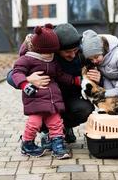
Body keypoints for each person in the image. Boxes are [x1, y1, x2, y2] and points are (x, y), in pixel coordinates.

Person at [8, 23, 99, 146]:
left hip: (71, 97)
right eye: (67, 52)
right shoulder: (44, 55)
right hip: (46, 99)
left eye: (75, 50)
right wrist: (28, 79)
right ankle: (47, 132)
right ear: (56, 49)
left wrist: (98, 78)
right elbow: (11, 75)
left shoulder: (83, 55)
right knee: (43, 110)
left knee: (85, 109)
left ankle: (63, 128)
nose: (72, 55)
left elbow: (99, 78)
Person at [12, 24, 81, 159]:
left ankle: (58, 145)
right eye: (48, 52)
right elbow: (16, 73)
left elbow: (60, 75)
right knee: (34, 123)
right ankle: (27, 143)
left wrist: (75, 80)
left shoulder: (52, 61)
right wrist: (25, 83)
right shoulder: (27, 59)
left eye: (52, 52)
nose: (50, 55)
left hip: (52, 100)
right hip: (36, 99)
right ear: (39, 49)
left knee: (56, 123)